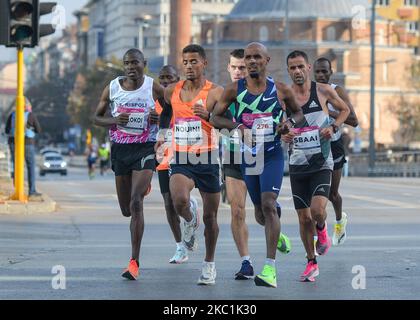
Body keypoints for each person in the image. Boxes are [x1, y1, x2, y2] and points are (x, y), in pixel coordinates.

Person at [211, 42, 303, 288]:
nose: (251, 61)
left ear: (266, 60)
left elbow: (298, 114)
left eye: (256, 57)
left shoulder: (280, 90)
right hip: (247, 158)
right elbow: (215, 118)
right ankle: (278, 233)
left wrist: (288, 125)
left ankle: (270, 269)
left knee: (269, 205)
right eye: (248, 57)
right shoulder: (234, 90)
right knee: (261, 214)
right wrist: (238, 127)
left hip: (272, 155)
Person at [93, 48, 163, 281]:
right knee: (126, 210)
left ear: (144, 63)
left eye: (135, 62)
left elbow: (173, 108)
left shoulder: (152, 87)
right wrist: (114, 120)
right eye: (127, 63)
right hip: (121, 149)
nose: (131, 67)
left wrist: (159, 117)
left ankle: (134, 261)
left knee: (136, 202)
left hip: (145, 147)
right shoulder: (112, 88)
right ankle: (140, 185)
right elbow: (96, 117)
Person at [156, 44, 223, 285]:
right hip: (182, 156)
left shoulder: (215, 92)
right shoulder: (171, 91)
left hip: (207, 157)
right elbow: (166, 112)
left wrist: (209, 117)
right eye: (185, 62)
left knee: (211, 217)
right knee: (179, 200)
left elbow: (228, 122)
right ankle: (189, 217)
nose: (189, 66)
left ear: (204, 63)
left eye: (194, 61)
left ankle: (209, 264)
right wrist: (162, 134)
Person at [283, 50, 350, 282]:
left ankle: (322, 229)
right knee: (303, 219)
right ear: (289, 71)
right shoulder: (285, 96)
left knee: (317, 211)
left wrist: (333, 127)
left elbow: (345, 110)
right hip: (297, 163)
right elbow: (280, 124)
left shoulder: (322, 90)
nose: (297, 71)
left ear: (308, 67)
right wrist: (285, 133)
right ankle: (311, 262)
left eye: (301, 66)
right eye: (292, 68)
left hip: (321, 161)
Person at [313, 57, 359, 245]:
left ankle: (340, 221)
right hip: (315, 147)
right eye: (318, 72)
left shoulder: (337, 91)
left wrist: (329, 112)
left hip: (334, 145)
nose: (322, 75)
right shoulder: (309, 91)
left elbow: (354, 120)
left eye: (325, 71)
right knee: (314, 194)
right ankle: (319, 232)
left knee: (332, 194)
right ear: (313, 73)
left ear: (331, 72)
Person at [155, 65, 194, 264]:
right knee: (168, 203)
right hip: (162, 157)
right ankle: (180, 247)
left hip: (185, 154)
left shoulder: (183, 98)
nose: (164, 82)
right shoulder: (154, 104)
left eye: (169, 78)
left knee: (180, 199)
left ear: (177, 79)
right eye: (161, 78)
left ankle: (189, 215)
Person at [5, 97, 42, 197]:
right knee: (30, 166)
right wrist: (30, 129)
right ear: (26, 106)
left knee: (16, 165)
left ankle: (17, 189)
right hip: (27, 143)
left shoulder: (12, 115)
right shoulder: (30, 115)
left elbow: (7, 131)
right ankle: (32, 191)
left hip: (13, 143)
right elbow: (39, 130)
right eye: (30, 106)